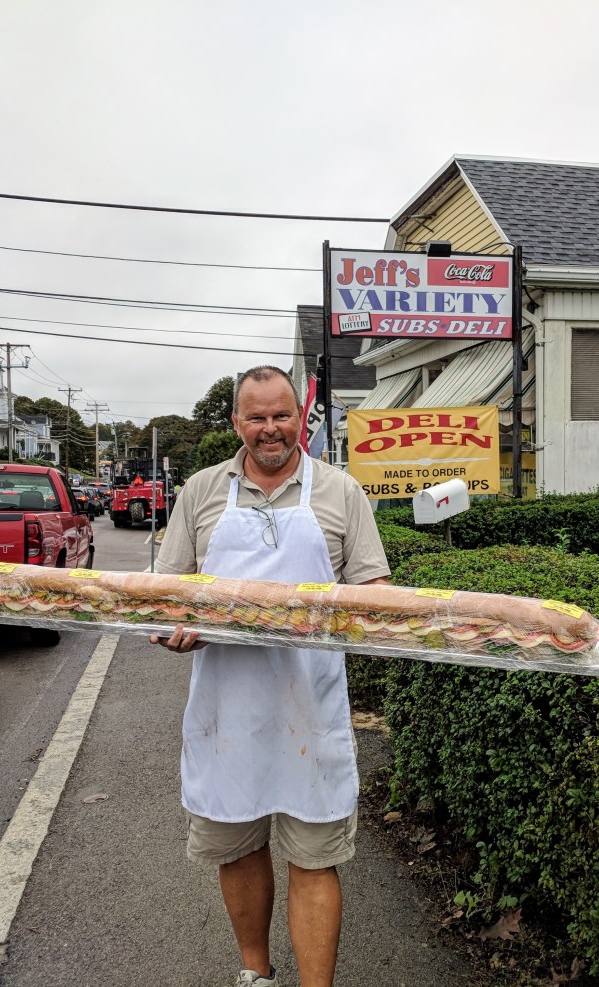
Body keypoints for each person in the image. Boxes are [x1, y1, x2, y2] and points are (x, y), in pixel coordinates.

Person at [151, 365, 389, 987]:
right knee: (238, 845)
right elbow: (164, 596)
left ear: (300, 418)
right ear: (236, 423)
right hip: (226, 711)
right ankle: (255, 973)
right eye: (255, 417)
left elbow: (376, 592)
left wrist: (365, 617)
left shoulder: (341, 492)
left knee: (314, 859)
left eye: (281, 415)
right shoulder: (201, 492)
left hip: (310, 708)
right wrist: (174, 628)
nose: (270, 429)